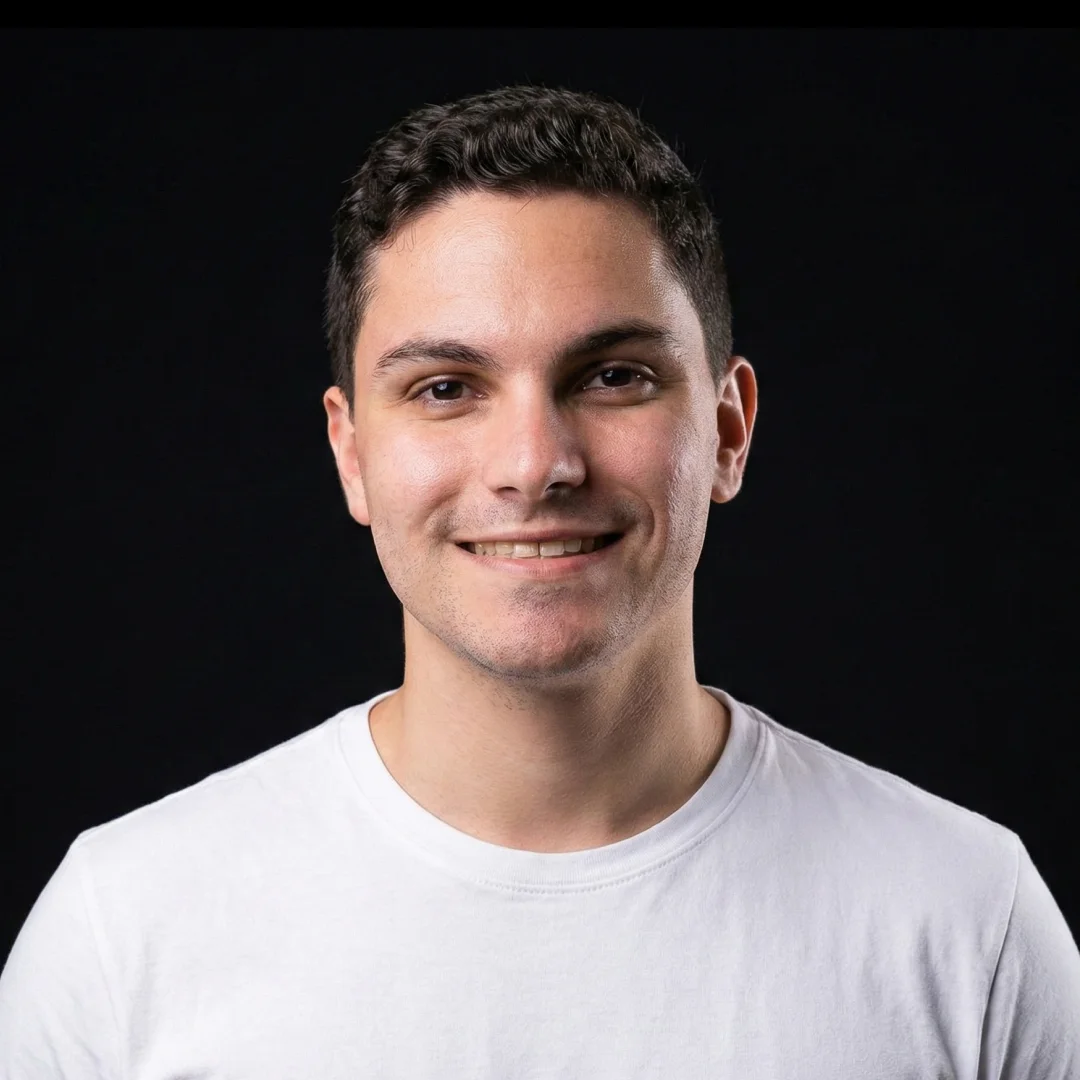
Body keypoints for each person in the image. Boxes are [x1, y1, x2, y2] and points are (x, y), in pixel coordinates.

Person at [2, 84, 1078, 1077]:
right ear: (352, 455)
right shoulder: (124, 932)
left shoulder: (965, 923)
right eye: (445, 387)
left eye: (613, 376)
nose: (536, 463)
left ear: (729, 428)